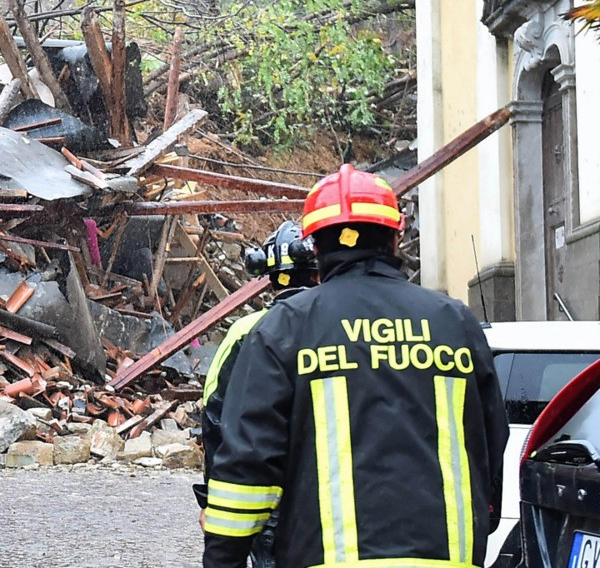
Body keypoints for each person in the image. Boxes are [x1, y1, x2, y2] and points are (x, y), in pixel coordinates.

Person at [203, 164, 509, 568]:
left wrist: (224, 559)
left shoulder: (285, 327)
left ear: (314, 247)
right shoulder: (455, 321)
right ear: (396, 238)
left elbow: (246, 465)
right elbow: (491, 440)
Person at [196, 221, 319, 568]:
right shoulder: (341, 325)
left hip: (263, 500)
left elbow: (215, 419)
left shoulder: (244, 332)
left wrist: (215, 501)